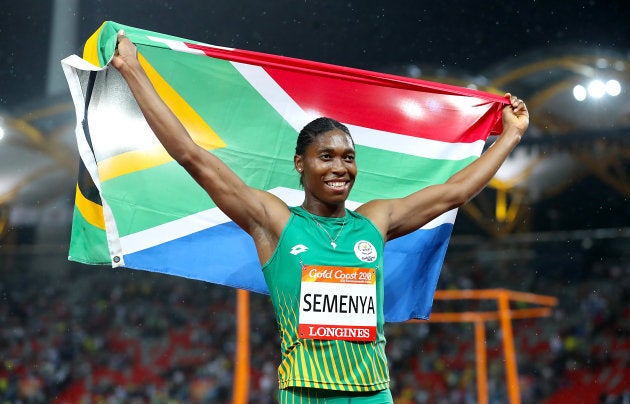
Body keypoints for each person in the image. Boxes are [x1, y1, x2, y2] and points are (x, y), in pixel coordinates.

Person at [112, 30, 528, 403]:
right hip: (305, 394)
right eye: (325, 157)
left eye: (348, 158)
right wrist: (132, 69)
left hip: (373, 394)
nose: (339, 168)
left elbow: (454, 192)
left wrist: (509, 135)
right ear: (300, 164)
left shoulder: (375, 221)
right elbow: (192, 156)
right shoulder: (273, 221)